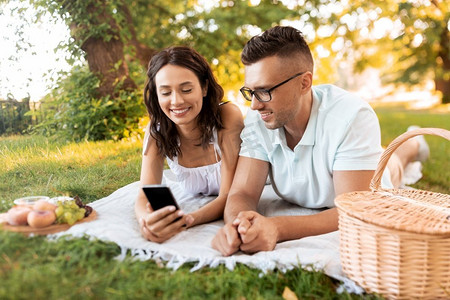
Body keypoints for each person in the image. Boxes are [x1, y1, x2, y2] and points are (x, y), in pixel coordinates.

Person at [211, 26, 429, 256]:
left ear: (304, 83)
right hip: (339, 166)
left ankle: (413, 143)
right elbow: (242, 193)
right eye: (251, 92)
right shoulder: (259, 118)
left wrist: (276, 227)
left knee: (394, 165)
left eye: (265, 91)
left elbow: (353, 210)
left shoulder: (352, 117)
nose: (254, 105)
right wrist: (239, 225)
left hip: (373, 180)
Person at [136, 46, 244, 243]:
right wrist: (147, 222)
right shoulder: (157, 130)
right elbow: (146, 193)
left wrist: (187, 220)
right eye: (166, 92)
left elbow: (229, 195)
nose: (176, 101)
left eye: (186, 90)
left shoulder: (228, 116)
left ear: (204, 88)